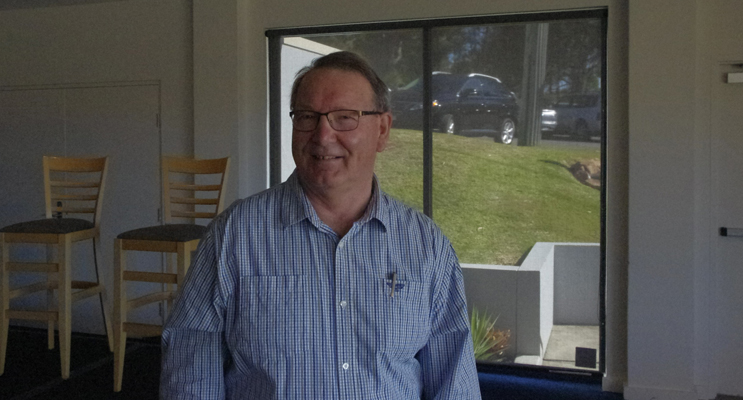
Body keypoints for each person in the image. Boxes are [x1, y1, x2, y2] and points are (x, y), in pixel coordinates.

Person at [160, 51, 481, 399]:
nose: (322, 135)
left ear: (382, 130)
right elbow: (190, 372)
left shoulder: (426, 245)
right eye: (307, 117)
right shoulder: (233, 236)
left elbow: (454, 384)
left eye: (345, 117)